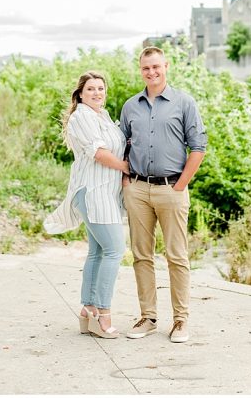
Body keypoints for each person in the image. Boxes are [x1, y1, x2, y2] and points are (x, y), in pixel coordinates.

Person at [119, 46, 207, 344]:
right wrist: (126, 182)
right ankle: (148, 316)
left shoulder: (184, 103)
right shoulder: (130, 106)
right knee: (141, 255)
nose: (151, 72)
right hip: (138, 189)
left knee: (177, 256)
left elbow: (198, 148)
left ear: (166, 66)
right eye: (146, 68)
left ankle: (181, 321)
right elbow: (123, 147)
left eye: (156, 67)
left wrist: (181, 185)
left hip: (172, 188)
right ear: (140, 69)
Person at [44, 71, 129, 339]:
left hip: (105, 193)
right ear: (80, 93)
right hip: (94, 192)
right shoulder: (81, 117)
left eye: (101, 88)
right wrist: (129, 168)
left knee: (98, 252)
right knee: (115, 250)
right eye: (91, 89)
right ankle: (104, 315)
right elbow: (100, 154)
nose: (97, 93)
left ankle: (88, 311)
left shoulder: (100, 116)